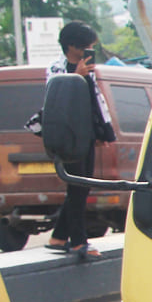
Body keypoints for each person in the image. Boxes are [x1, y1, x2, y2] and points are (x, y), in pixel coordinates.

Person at [44, 20, 113, 259]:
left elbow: (95, 99)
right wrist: (76, 75)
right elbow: (58, 96)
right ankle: (78, 242)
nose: (88, 50)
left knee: (81, 187)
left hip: (86, 132)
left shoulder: (88, 67)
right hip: (67, 133)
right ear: (72, 46)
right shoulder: (57, 68)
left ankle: (59, 236)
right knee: (77, 186)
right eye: (85, 46)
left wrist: (103, 130)